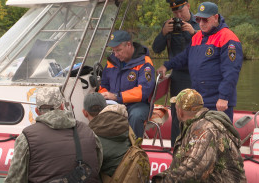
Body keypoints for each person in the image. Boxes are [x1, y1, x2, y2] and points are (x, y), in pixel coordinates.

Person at [157, 2, 243, 122]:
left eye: (205, 20)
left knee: (218, 136)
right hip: (200, 100)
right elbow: (183, 57)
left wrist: (224, 97)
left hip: (218, 102)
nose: (201, 24)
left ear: (215, 17)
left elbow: (231, 71)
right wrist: (166, 66)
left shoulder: (227, 38)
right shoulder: (198, 37)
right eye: (198, 19)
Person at [5, 87, 103, 183]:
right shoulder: (88, 131)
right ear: (61, 106)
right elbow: (97, 165)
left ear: (37, 111)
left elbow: (15, 179)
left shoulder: (26, 138)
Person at [152, 89, 247, 182]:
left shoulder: (204, 129)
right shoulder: (192, 125)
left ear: (180, 111)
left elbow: (196, 167)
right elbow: (179, 165)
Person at [152, 0, 200, 147]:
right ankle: (176, 150)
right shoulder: (170, 26)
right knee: (178, 116)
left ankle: (196, 149)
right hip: (178, 76)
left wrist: (193, 33)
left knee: (197, 114)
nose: (179, 15)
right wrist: (163, 33)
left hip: (198, 76)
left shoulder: (199, 23)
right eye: (175, 12)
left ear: (188, 6)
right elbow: (156, 49)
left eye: (181, 11)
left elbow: (204, 48)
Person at [99, 30, 155, 138]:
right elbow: (104, 85)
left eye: (119, 50)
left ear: (129, 45)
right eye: (113, 51)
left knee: (136, 116)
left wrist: (116, 96)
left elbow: (144, 91)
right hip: (114, 103)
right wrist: (103, 95)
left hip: (138, 104)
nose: (116, 54)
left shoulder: (145, 63)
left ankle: (135, 148)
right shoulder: (111, 61)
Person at [82, 92, 131, 180]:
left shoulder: (89, 137)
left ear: (85, 113)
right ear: (106, 107)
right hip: (131, 175)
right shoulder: (125, 124)